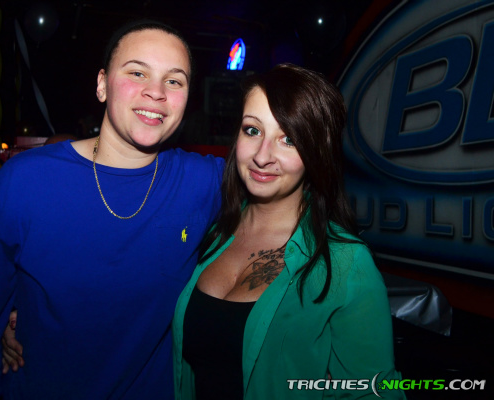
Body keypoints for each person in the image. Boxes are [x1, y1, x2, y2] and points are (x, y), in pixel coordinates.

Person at [0, 20, 224, 399]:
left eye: (174, 81)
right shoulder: (24, 182)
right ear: (102, 84)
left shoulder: (202, 181)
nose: (156, 92)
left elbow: (289, 183)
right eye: (137, 72)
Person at [172, 64, 405, 399]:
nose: (262, 156)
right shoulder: (212, 228)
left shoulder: (345, 262)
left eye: (289, 139)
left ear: (316, 151)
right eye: (253, 130)